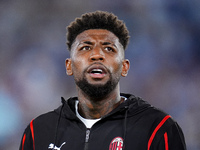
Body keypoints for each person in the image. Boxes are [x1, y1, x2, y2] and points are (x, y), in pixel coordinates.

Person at [19, 11, 186, 150]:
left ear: (124, 67)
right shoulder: (38, 131)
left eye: (109, 48)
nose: (97, 55)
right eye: (85, 47)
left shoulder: (158, 129)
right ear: (69, 66)